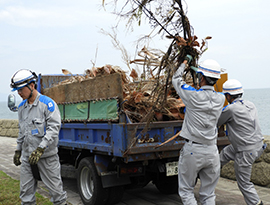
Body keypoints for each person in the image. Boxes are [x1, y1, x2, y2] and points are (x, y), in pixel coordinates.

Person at [172, 56, 225, 204]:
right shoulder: (220, 99)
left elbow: (176, 80)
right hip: (212, 151)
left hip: (193, 150)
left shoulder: (192, 95)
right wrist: (200, 73)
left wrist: (183, 64)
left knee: (187, 191)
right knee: (208, 194)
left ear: (201, 77)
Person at [11, 69, 67, 205]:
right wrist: (18, 149)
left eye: (20, 89)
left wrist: (41, 148)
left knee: (57, 194)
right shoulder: (21, 107)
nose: (18, 93)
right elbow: (21, 131)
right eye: (17, 90)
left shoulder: (47, 104)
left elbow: (54, 129)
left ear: (31, 85)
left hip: (47, 158)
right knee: (26, 195)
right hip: (27, 158)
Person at [218, 79, 266, 205]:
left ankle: (256, 203)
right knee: (226, 153)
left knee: (244, 183)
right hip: (258, 145)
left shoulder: (230, 109)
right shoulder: (250, 104)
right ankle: (210, 172)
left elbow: (217, 122)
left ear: (228, 96)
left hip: (246, 150)